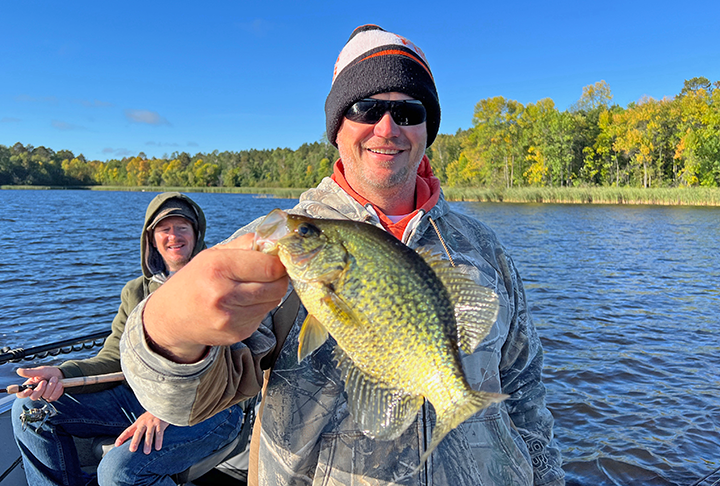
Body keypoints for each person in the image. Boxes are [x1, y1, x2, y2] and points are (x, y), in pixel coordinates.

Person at [120, 25, 566, 485]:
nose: (387, 127)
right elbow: (183, 402)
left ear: (427, 129)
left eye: (408, 112)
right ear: (337, 127)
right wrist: (168, 327)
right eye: (365, 108)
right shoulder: (272, 243)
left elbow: (526, 395)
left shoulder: (484, 249)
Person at [11, 192, 245, 486]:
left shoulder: (220, 284)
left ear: (197, 234)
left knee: (117, 471)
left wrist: (164, 408)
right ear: (151, 239)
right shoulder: (135, 292)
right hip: (137, 397)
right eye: (164, 228)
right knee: (30, 410)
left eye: (182, 227)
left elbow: (232, 363)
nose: (174, 236)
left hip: (212, 409)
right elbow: (112, 359)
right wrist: (59, 373)